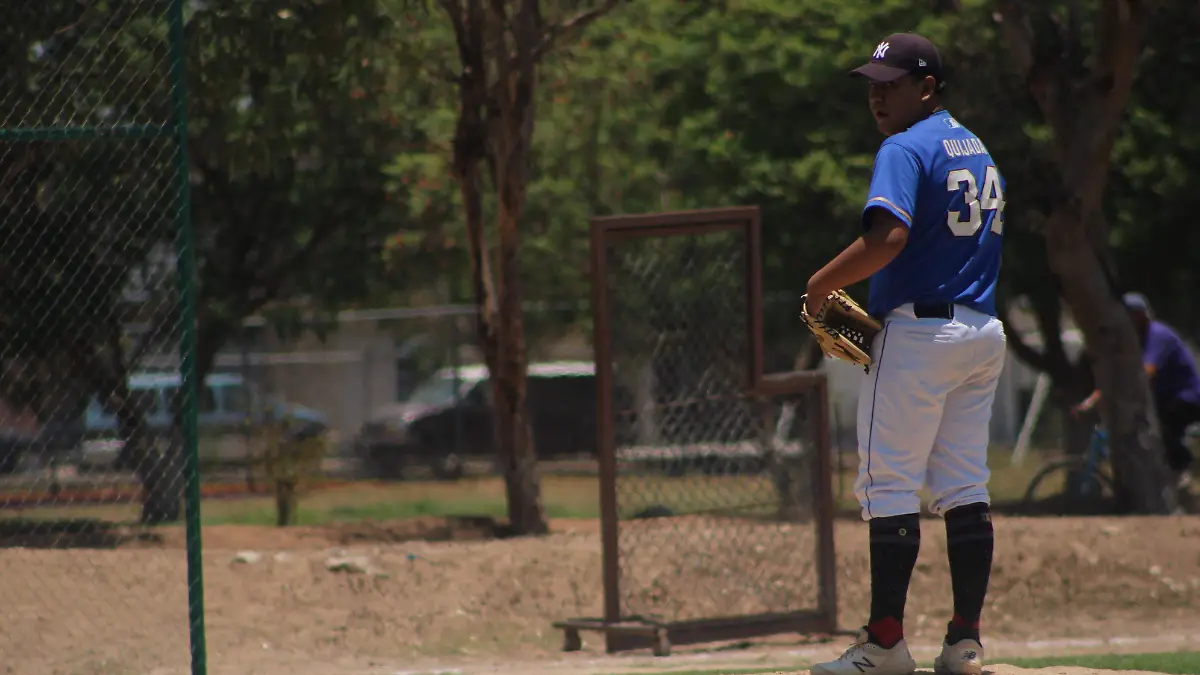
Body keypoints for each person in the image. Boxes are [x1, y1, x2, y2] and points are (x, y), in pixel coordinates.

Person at [806, 33, 1007, 675]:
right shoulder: (975, 148)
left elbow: (888, 237)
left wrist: (819, 285)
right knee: (965, 486)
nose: (876, 94)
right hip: (980, 333)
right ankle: (965, 643)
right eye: (872, 83)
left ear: (926, 87)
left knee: (888, 484)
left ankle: (885, 644)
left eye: (890, 83)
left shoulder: (904, 146)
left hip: (920, 338)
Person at [1072, 292, 1200, 487]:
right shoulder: (1133, 341)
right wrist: (1090, 403)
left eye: (1128, 315)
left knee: (1159, 426)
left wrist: (1114, 396)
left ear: (1140, 315)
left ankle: (1182, 469)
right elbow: (1115, 379)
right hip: (1163, 396)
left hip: (1185, 397)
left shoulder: (1157, 335)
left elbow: (1145, 374)